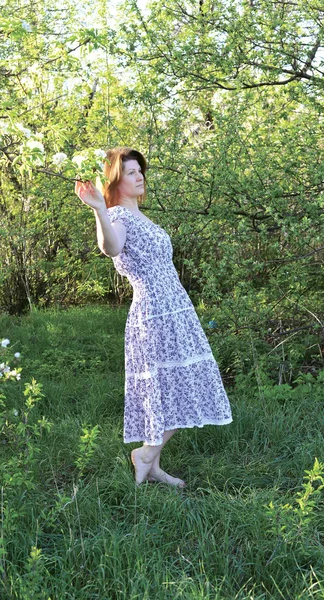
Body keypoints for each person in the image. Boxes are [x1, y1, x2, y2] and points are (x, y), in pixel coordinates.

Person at [74, 147, 232, 488]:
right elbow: (111, 248)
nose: (139, 176)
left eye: (139, 170)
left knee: (176, 386)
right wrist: (99, 210)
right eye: (130, 172)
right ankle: (145, 454)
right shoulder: (117, 216)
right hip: (154, 312)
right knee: (176, 387)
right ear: (116, 180)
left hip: (175, 306)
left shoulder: (141, 216)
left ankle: (152, 463)